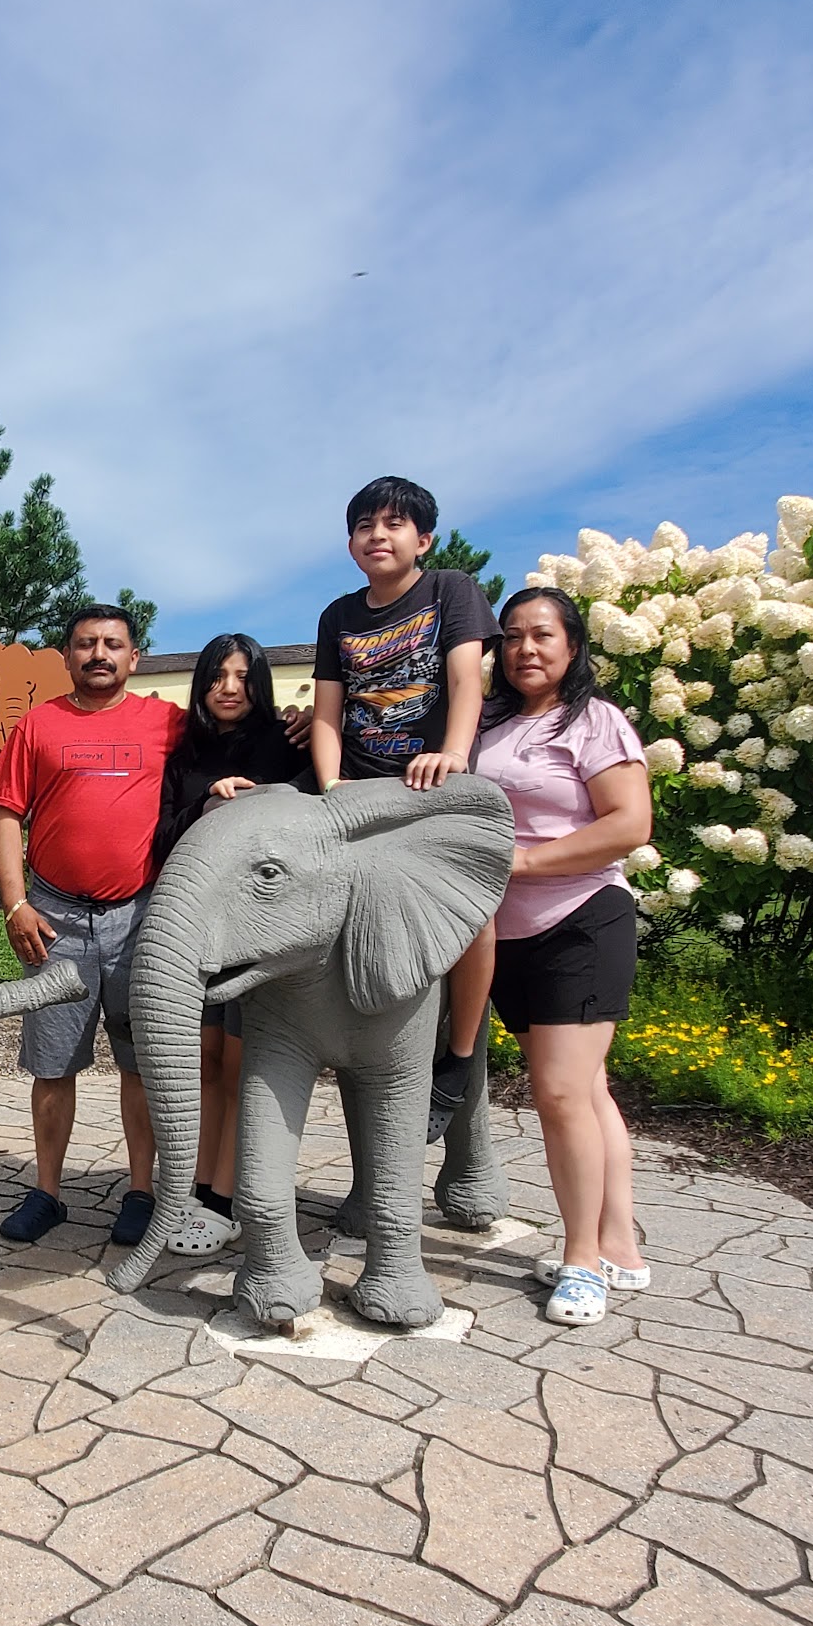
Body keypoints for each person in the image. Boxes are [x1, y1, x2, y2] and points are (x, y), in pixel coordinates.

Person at [473, 587, 652, 1327]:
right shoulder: (488, 726)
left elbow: (629, 823)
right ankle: (620, 1247)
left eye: (542, 635)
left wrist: (522, 862)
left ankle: (581, 1262)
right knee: (588, 1091)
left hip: (579, 920)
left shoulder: (594, 720)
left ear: (572, 645)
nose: (526, 649)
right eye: (513, 636)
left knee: (560, 1095)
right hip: (504, 934)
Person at [0, 605, 183, 1247]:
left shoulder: (167, 723)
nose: (100, 654)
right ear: (67, 656)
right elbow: (6, 814)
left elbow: (235, 742)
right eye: (86, 644)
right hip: (55, 919)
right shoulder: (38, 725)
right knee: (52, 1064)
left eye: (113, 644)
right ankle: (47, 1192)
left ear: (134, 657)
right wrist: (15, 904)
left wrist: (292, 722)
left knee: (141, 1064)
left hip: (143, 918)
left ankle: (141, 1191)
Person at [309, 476, 501, 1138]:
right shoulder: (338, 615)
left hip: (433, 783)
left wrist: (453, 755)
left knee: (474, 916)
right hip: (363, 789)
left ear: (423, 539)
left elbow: (465, 680)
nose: (377, 536)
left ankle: (461, 1052)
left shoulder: (450, 590)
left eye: (393, 524)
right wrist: (331, 786)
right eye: (364, 525)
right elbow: (329, 711)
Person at [152, 633, 312, 1256]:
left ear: (260, 683)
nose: (229, 688)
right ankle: (195, 1186)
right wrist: (206, 803)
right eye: (218, 676)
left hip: (260, 934)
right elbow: (162, 841)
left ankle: (226, 1197)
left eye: (243, 676)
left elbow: (306, 824)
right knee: (205, 1060)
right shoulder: (185, 754)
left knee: (245, 1063)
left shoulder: (284, 741)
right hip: (198, 931)